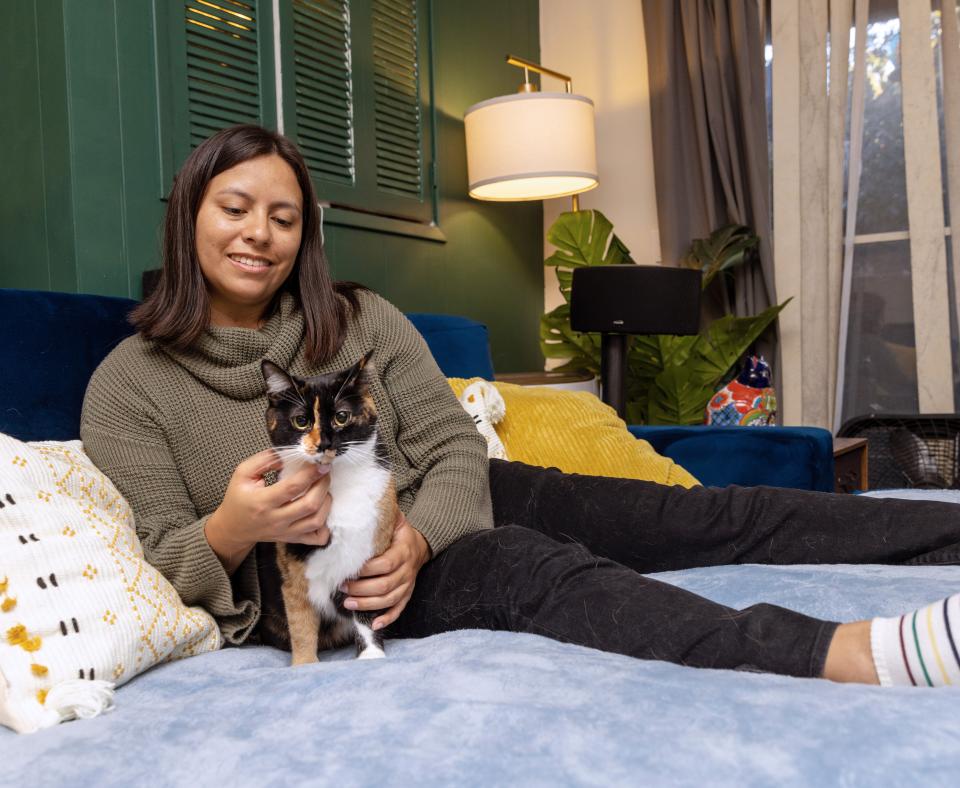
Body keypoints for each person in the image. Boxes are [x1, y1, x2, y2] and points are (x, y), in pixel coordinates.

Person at [81, 125, 960, 689]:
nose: (258, 235)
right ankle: (851, 653)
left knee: (702, 517)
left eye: (284, 217)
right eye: (234, 208)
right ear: (190, 218)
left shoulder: (357, 320)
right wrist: (236, 524)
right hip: (336, 586)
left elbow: (453, 446)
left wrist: (422, 534)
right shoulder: (131, 382)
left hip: (451, 506)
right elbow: (162, 556)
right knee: (531, 571)